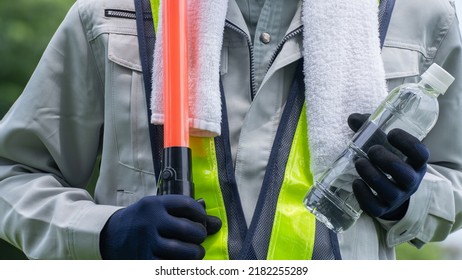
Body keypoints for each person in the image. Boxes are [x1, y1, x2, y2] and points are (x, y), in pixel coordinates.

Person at [1, 0, 462, 260]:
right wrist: (101, 233)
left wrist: (413, 200)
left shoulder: (423, 16)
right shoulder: (113, 10)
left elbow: (454, 181)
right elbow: (13, 172)